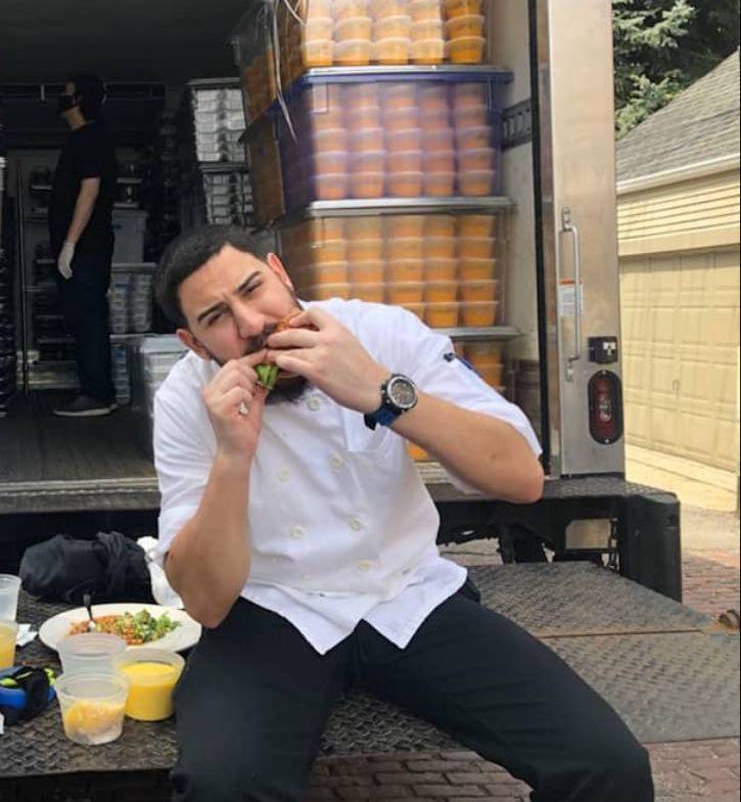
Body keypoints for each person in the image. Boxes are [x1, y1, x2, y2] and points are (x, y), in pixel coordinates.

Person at [152, 224, 654, 802]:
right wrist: (233, 455)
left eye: (253, 289)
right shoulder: (185, 401)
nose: (251, 324)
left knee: (607, 765)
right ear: (195, 344)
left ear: (281, 272)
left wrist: (380, 392)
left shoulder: (380, 332)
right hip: (272, 608)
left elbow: (521, 477)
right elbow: (205, 602)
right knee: (221, 786)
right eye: (217, 317)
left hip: (408, 596)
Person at [49, 73, 117, 417]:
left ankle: (97, 394)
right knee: (80, 315)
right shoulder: (82, 139)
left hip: (86, 249)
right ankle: (93, 389)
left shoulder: (90, 137)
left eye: (66, 94)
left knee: (88, 316)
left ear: (79, 101)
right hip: (83, 249)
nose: (61, 99)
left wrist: (70, 244)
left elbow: (90, 191)